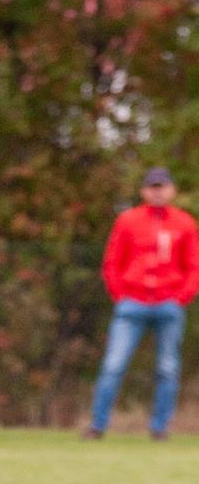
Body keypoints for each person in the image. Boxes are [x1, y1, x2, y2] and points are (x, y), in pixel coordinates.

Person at [84, 166, 199, 441]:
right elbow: (112, 262)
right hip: (131, 303)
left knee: (167, 368)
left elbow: (193, 266)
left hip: (168, 305)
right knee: (113, 365)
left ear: (171, 190)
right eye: (153, 187)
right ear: (144, 191)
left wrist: (180, 298)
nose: (158, 192)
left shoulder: (184, 224)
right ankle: (97, 426)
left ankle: (159, 429)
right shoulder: (128, 221)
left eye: (163, 186)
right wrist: (120, 294)